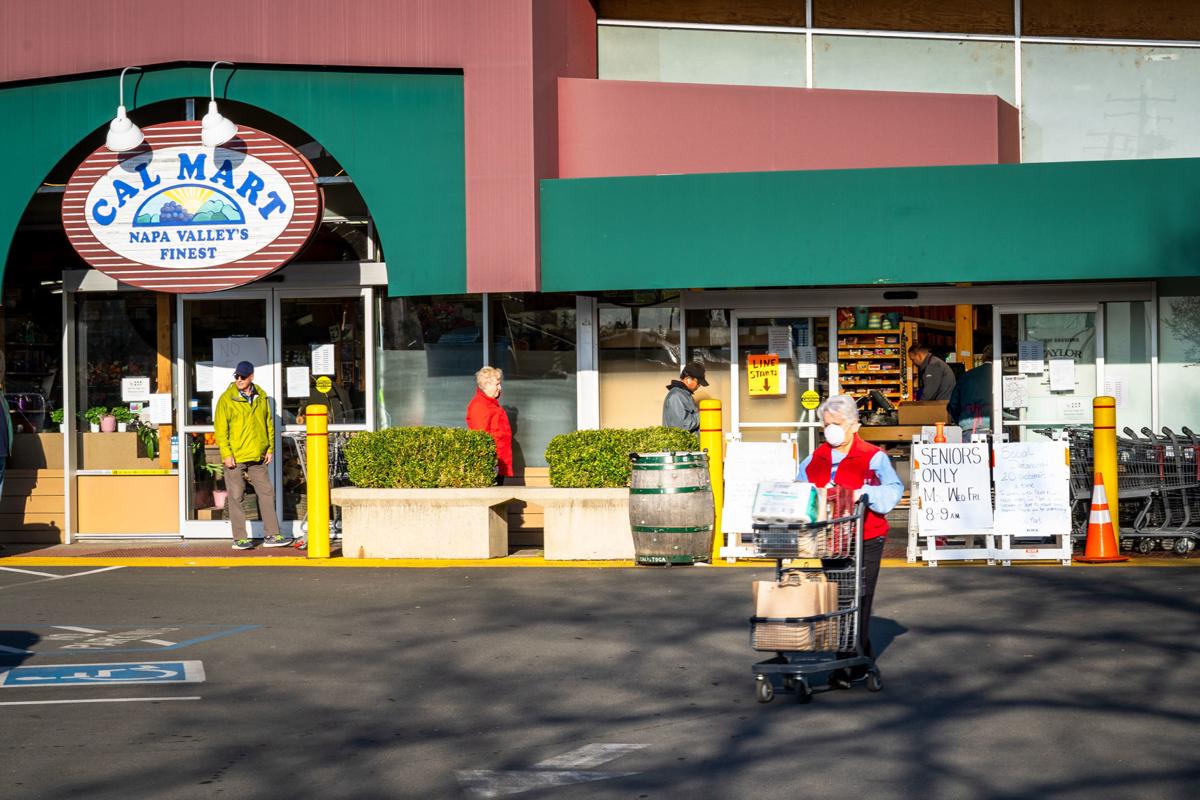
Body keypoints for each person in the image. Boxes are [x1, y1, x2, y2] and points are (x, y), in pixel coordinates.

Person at [796, 394, 904, 688]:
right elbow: (799, 488)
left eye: (837, 424)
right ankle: (854, 659)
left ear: (854, 426)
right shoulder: (814, 458)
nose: (831, 429)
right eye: (826, 424)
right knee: (839, 597)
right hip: (830, 537)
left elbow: (894, 489)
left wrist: (865, 495)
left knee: (860, 596)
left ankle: (850, 661)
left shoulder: (873, 456)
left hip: (867, 535)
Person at [214, 360, 288, 550]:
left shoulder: (261, 397)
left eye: (243, 376)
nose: (239, 379)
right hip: (236, 456)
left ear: (251, 377)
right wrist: (226, 453)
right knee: (237, 495)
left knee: (266, 493)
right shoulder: (226, 399)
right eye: (236, 376)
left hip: (257, 455)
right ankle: (240, 538)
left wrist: (270, 448)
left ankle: (272, 534)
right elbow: (221, 430)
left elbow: (268, 424)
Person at [467, 366, 513, 485]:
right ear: (487, 385)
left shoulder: (491, 404)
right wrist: (489, 464)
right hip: (491, 463)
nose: (500, 387)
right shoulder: (480, 406)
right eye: (497, 384)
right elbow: (481, 437)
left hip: (498, 460)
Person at [947, 346, 993, 437]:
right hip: (995, 424)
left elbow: (953, 405)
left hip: (969, 425)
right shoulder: (1002, 375)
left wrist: (962, 420)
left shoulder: (966, 376)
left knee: (972, 451)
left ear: (983, 358)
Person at [662, 363, 708, 433]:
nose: (699, 386)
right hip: (681, 443)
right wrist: (702, 415)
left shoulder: (685, 395)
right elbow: (682, 426)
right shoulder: (676, 396)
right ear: (688, 379)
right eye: (698, 382)